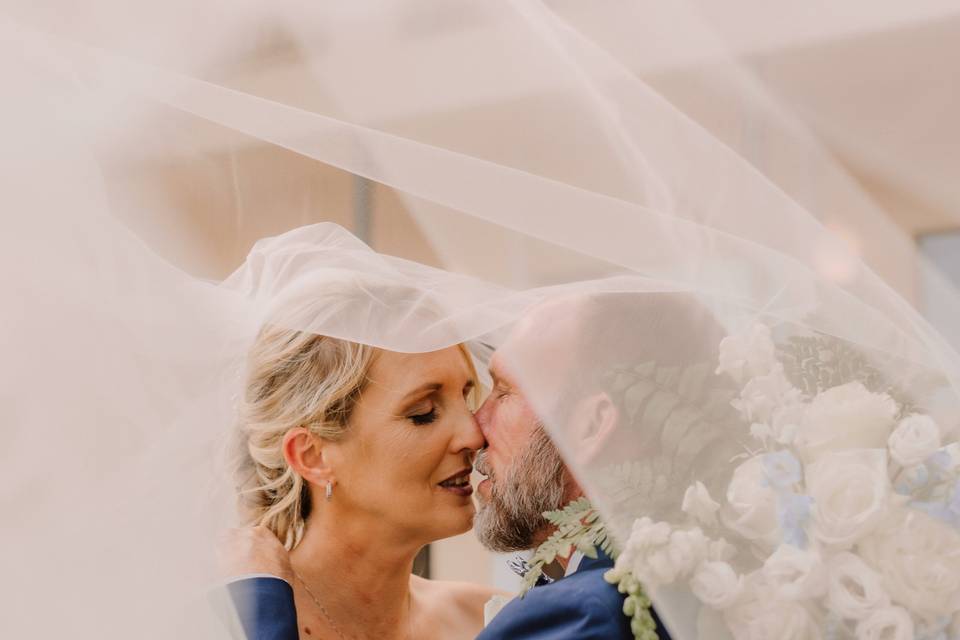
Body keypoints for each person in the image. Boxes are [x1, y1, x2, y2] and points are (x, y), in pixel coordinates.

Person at [222, 314, 507, 640]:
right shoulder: (226, 626)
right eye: (423, 413)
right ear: (312, 456)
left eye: (465, 398)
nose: (473, 435)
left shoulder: (489, 619)